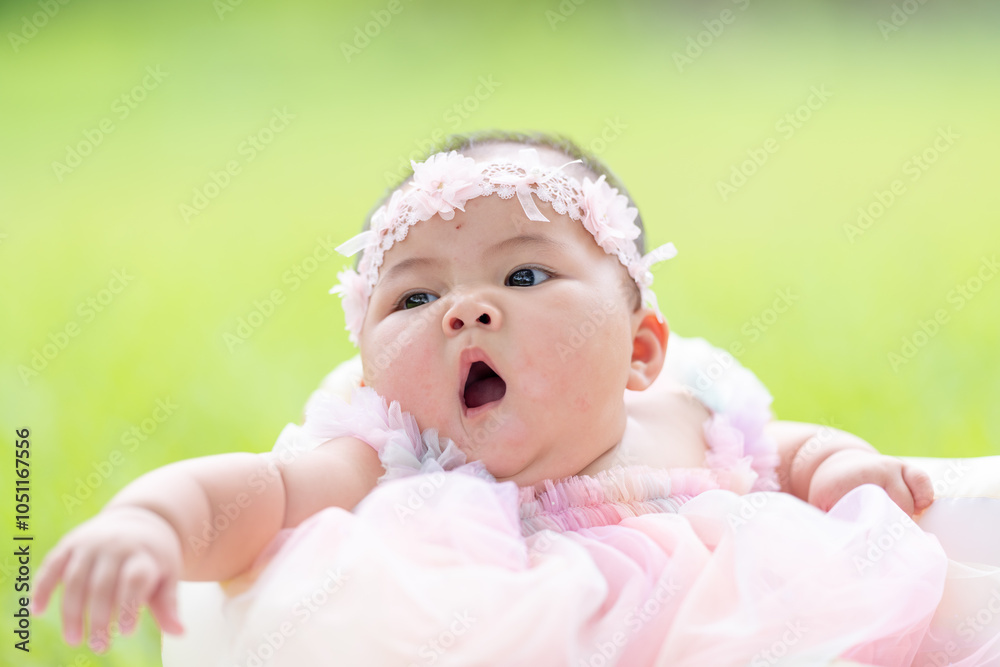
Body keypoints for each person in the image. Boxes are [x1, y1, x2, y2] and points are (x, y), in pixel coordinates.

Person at [33, 132, 997, 666]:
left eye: (525, 277)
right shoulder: (400, 450)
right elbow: (260, 491)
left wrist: (846, 466)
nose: (466, 310)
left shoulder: (691, 411)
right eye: (415, 296)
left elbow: (784, 447)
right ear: (371, 369)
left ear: (641, 351)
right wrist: (152, 521)